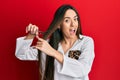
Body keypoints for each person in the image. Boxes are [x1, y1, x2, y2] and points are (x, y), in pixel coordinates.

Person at [15, 4, 95, 80]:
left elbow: (82, 69)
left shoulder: (86, 42)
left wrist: (53, 52)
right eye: (67, 20)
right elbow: (21, 54)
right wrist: (30, 36)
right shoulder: (48, 44)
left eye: (75, 19)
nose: (73, 24)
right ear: (59, 25)